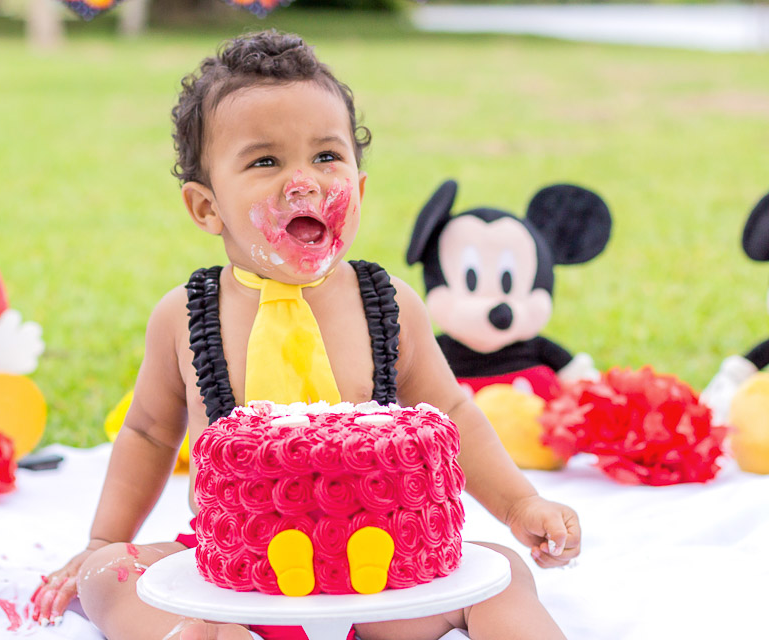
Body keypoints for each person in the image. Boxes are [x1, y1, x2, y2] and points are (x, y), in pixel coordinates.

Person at [32, 30, 581, 640]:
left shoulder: (389, 305)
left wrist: (518, 505)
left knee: (500, 574)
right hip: (240, 576)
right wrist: (105, 539)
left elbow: (452, 411)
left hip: (383, 571)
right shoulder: (185, 316)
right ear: (206, 208)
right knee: (109, 575)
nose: (304, 182)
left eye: (326, 156)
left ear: (361, 186)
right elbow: (147, 431)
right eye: (265, 161)